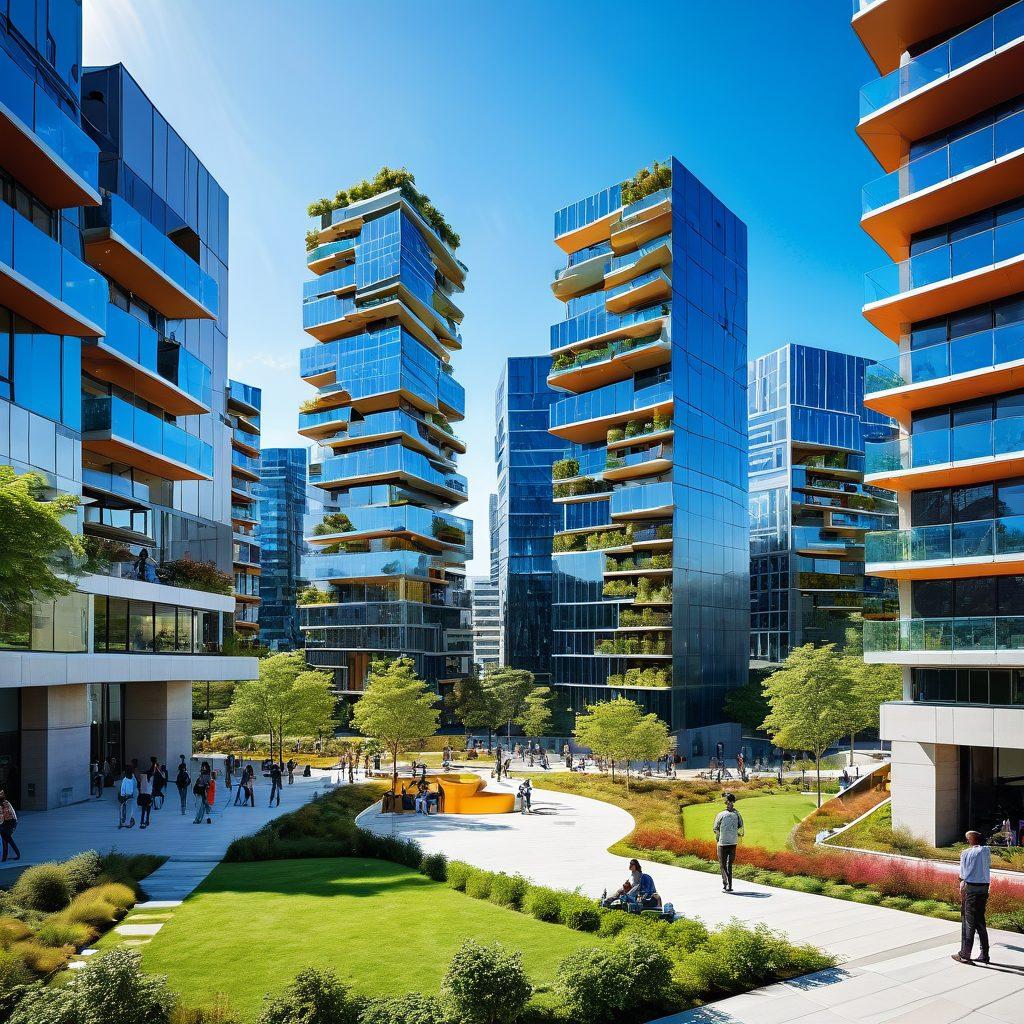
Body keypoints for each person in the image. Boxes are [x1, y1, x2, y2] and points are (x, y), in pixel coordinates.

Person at [953, 830, 991, 965]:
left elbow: (962, 875)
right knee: (980, 922)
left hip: (971, 890)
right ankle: (984, 954)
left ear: (971, 840)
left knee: (968, 923)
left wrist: (961, 890)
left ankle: (965, 954)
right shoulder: (986, 851)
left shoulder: (965, 853)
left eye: (968, 839)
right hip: (984, 890)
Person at [713, 793, 744, 892]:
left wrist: (720, 836)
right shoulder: (737, 814)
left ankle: (726, 884)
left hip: (722, 843)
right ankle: (729, 885)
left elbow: (715, 828)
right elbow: (740, 826)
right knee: (729, 864)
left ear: (727, 802)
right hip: (733, 842)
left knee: (723, 864)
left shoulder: (721, 814)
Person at [0, 789, 19, 862]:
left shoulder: (5, 803)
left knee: (8, 839)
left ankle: (17, 855)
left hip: (10, 822)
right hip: (6, 823)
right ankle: (4, 858)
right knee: (5, 840)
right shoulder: (4, 803)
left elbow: (2, 816)